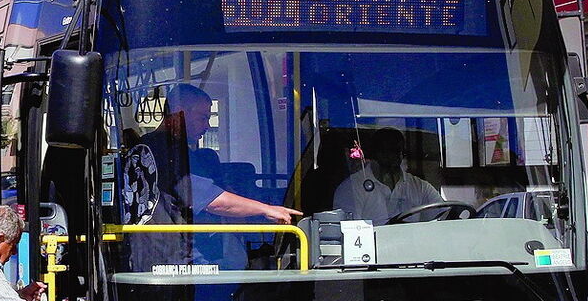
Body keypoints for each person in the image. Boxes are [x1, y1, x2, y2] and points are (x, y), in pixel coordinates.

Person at [138, 83, 300, 225]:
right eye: (202, 118)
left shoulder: (145, 145)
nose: (207, 126)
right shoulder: (169, 151)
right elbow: (212, 201)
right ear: (179, 112)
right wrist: (266, 209)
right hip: (165, 245)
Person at [333, 127, 443, 225]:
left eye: (399, 150)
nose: (395, 155)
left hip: (413, 241)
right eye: (389, 150)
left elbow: (443, 215)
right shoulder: (352, 187)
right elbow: (350, 232)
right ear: (375, 153)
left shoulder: (419, 187)